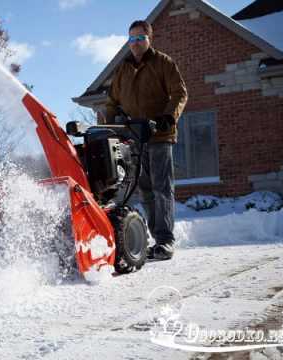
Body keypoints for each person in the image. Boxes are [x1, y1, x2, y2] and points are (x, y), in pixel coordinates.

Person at [101, 20, 188, 260]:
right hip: (135, 138)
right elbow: (111, 102)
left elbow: (180, 93)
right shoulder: (123, 69)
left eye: (140, 38)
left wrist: (169, 117)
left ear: (149, 39)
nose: (135, 43)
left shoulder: (163, 63)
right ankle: (155, 239)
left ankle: (165, 241)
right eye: (131, 39)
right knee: (145, 190)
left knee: (162, 188)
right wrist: (111, 126)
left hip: (159, 134)